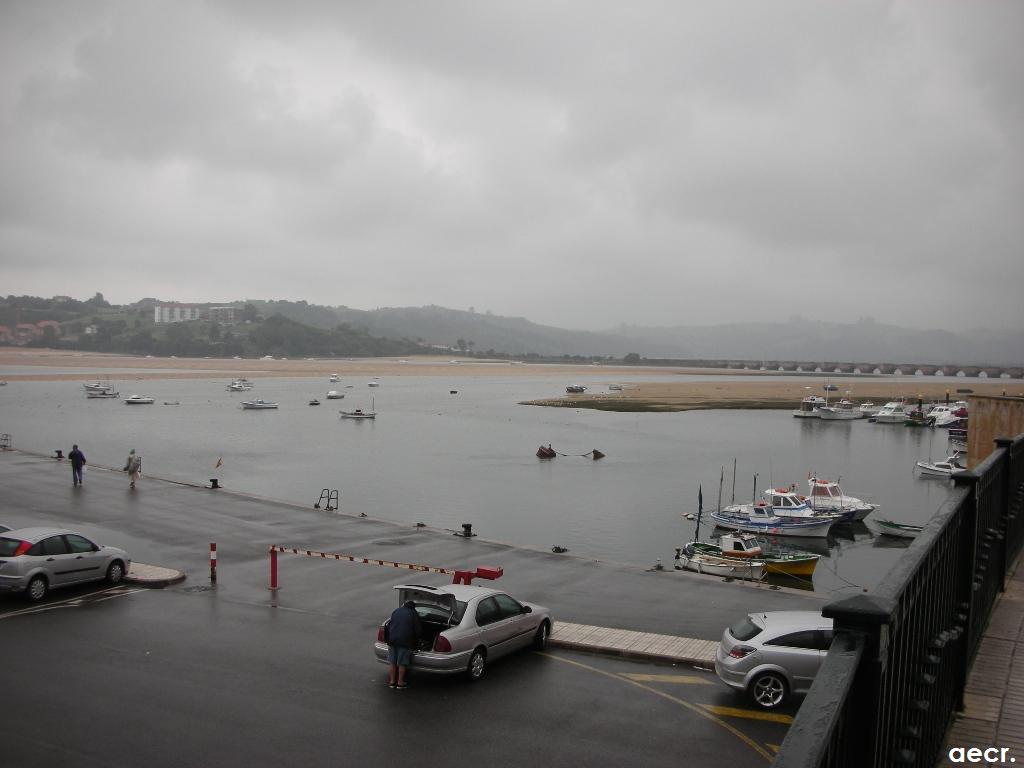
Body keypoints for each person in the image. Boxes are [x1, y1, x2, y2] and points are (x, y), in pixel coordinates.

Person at [386, 600, 422, 689]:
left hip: (392, 640)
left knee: (392, 662)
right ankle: (400, 682)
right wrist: (418, 640)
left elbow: (390, 624)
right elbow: (418, 631)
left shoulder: (396, 611)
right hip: (405, 641)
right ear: (413, 607)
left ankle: (392, 682)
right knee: (402, 663)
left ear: (404, 605)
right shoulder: (413, 613)